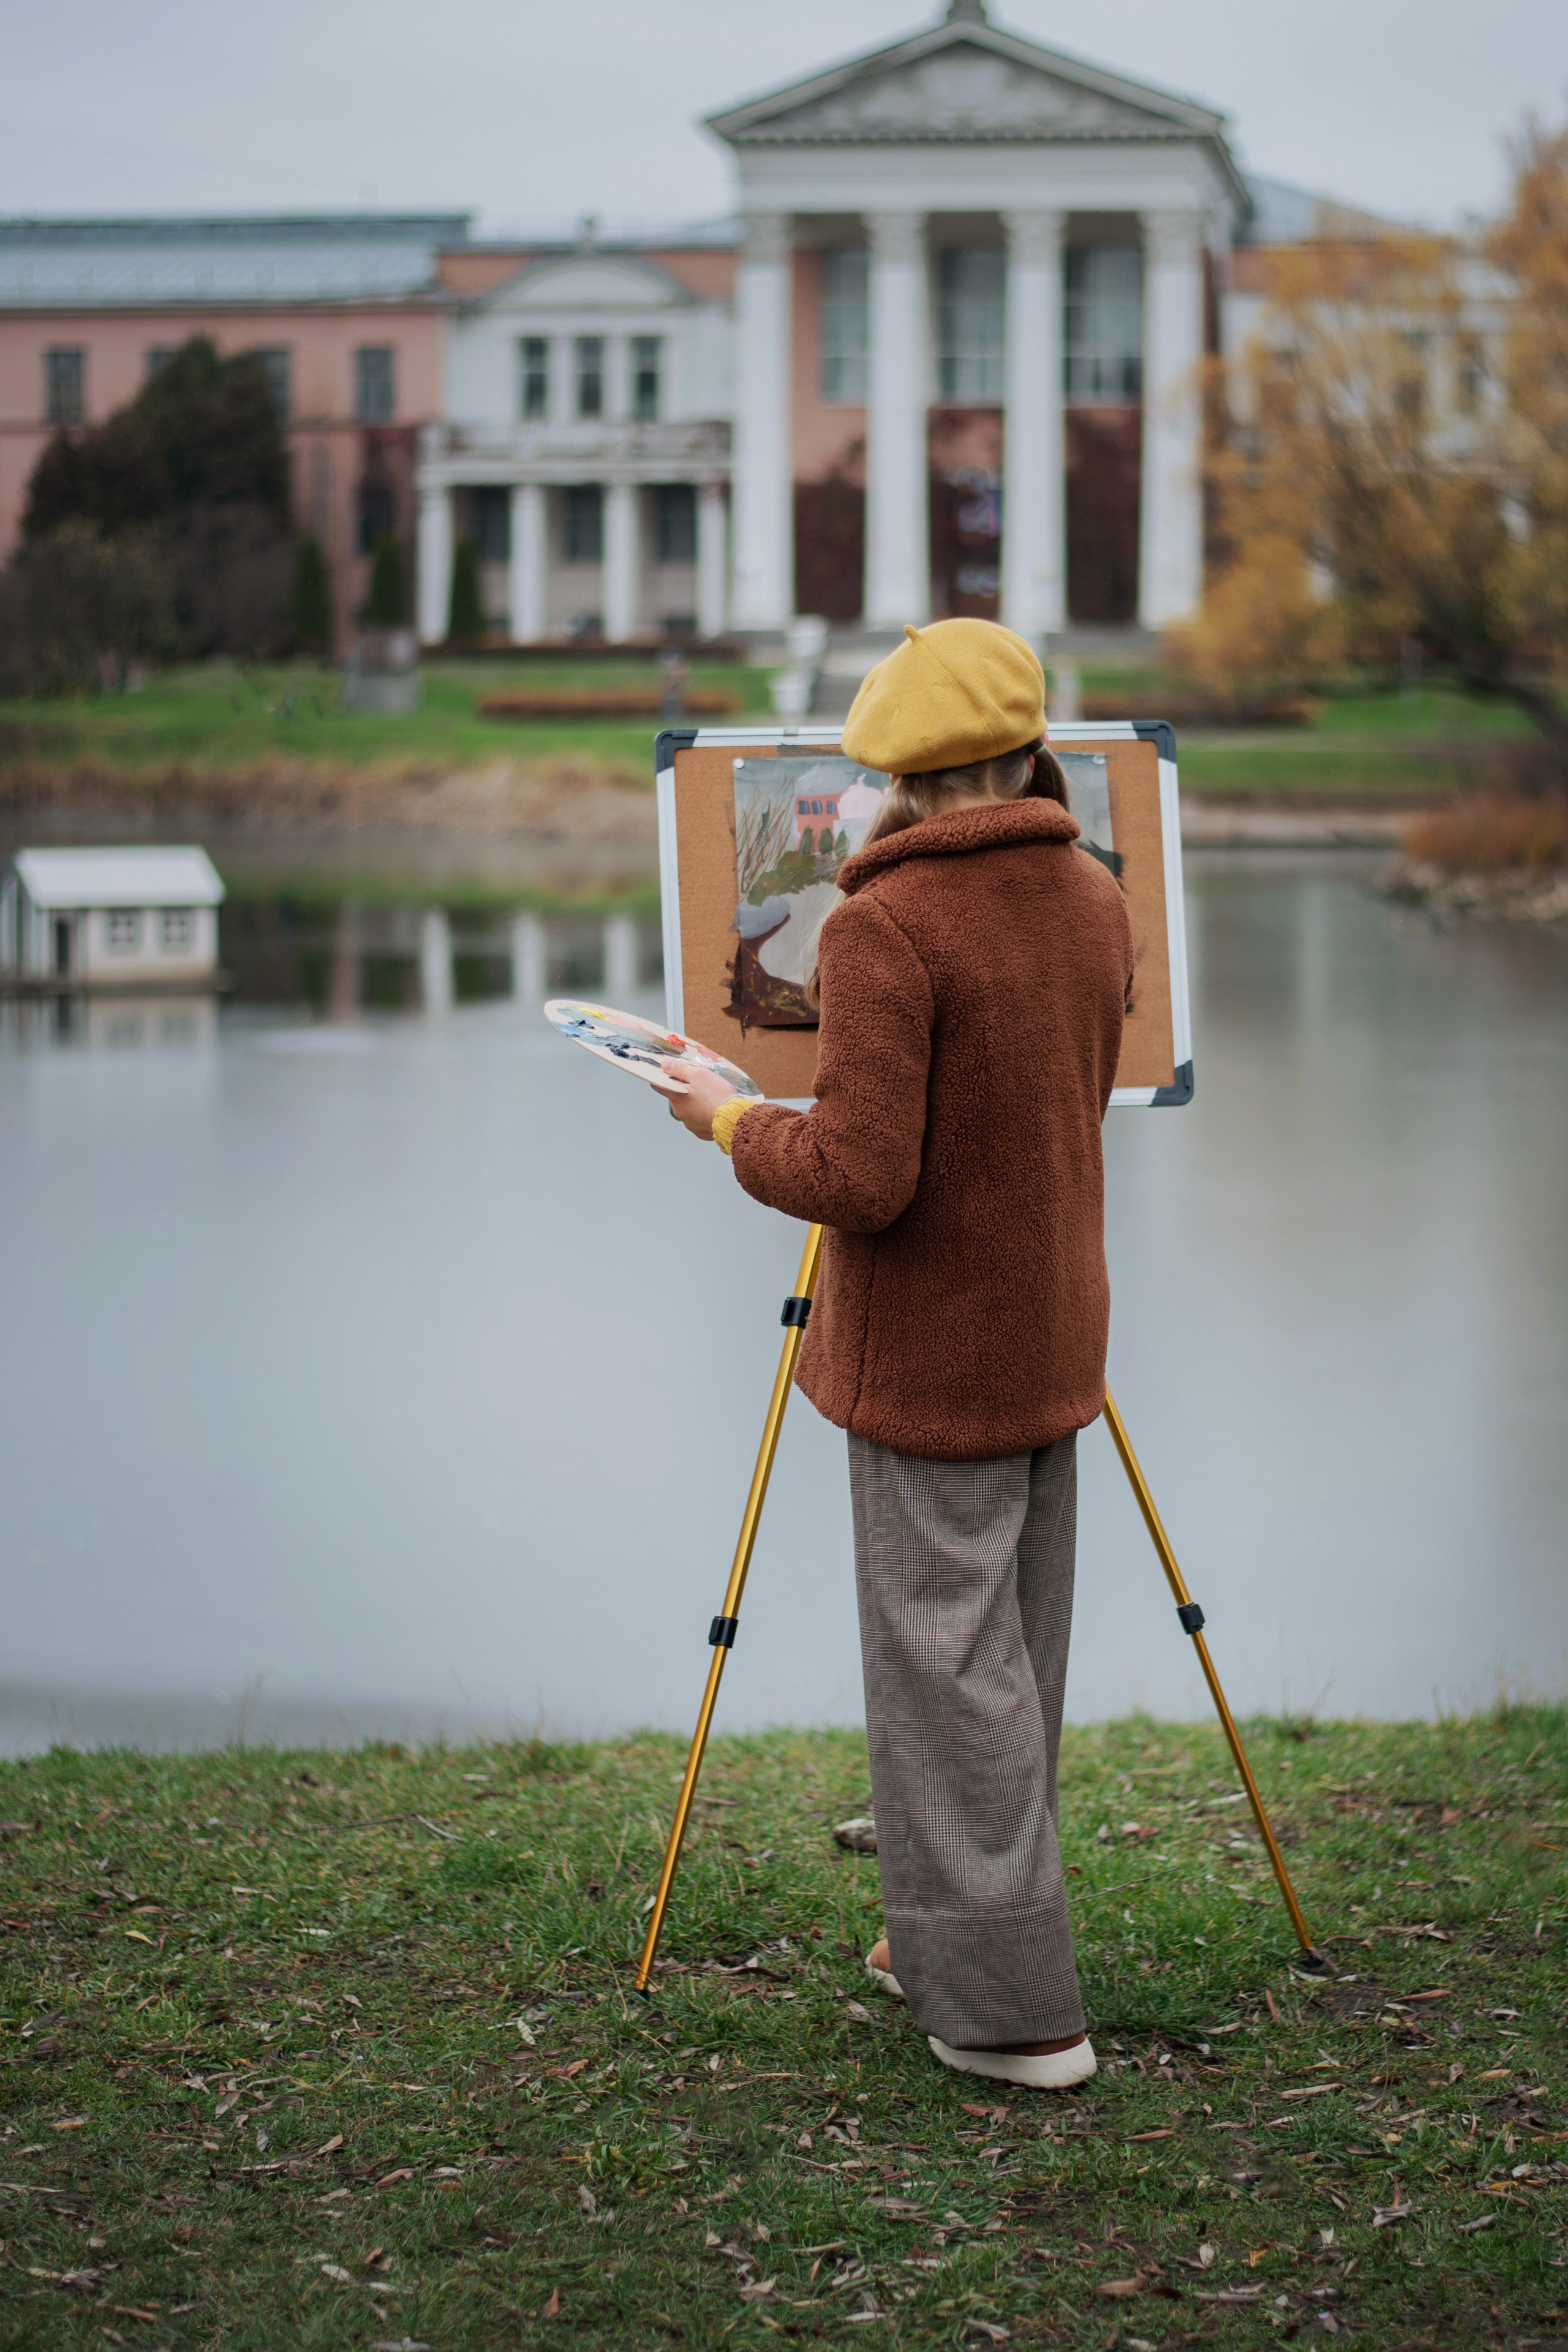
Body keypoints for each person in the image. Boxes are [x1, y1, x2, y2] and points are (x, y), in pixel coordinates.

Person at [655, 619, 1134, 2092]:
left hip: (932, 1350)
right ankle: (932, 1936)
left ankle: (1010, 2019)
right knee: (1013, 1658)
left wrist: (731, 1121)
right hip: (1052, 1323)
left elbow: (860, 1178)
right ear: (1024, 747)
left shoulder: (883, 926)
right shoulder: (1093, 897)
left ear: (895, 774)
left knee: (944, 1671)